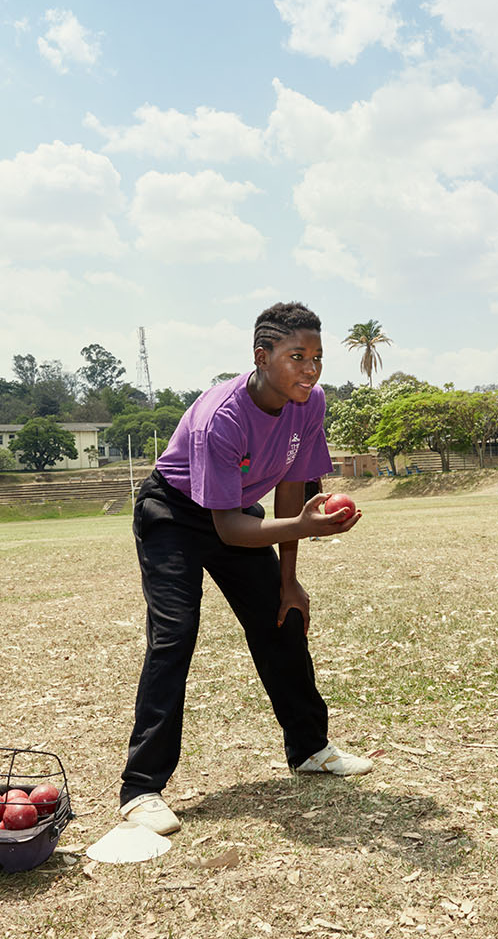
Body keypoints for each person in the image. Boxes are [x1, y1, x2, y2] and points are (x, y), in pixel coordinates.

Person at [118, 302, 367, 837]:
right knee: (174, 635)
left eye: (317, 358)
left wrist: (289, 579)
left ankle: (310, 750)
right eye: (297, 356)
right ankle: (141, 790)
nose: (310, 369)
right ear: (262, 356)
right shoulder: (223, 417)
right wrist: (303, 528)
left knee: (282, 618)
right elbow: (229, 529)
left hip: (236, 513)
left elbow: (292, 491)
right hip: (176, 514)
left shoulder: (309, 403)